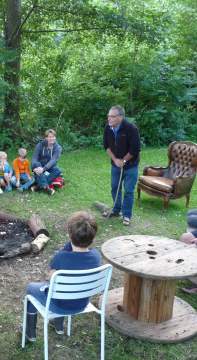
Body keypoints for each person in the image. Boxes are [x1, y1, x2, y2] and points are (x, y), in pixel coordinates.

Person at [24, 211, 101, 341]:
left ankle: (29, 331)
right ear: (93, 237)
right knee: (64, 286)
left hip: (58, 304)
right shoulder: (96, 256)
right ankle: (57, 324)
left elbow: (52, 266)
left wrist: (54, 274)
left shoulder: (61, 257)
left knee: (31, 287)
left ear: (69, 235)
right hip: (82, 302)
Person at [102, 105, 141, 227]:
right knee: (115, 187)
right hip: (115, 164)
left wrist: (123, 161)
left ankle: (127, 215)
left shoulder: (131, 128)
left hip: (131, 165)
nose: (109, 119)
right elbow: (106, 145)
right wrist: (115, 159)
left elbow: (136, 148)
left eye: (112, 116)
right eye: (109, 116)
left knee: (128, 191)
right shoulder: (108, 128)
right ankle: (116, 209)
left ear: (121, 117)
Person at [31, 129, 62, 196]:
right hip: (40, 167)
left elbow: (53, 161)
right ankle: (46, 188)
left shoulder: (58, 148)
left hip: (50, 168)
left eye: (53, 137)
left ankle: (38, 186)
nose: (52, 138)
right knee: (36, 163)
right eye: (50, 137)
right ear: (46, 138)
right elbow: (34, 157)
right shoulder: (40, 145)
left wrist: (44, 169)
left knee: (58, 170)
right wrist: (33, 168)